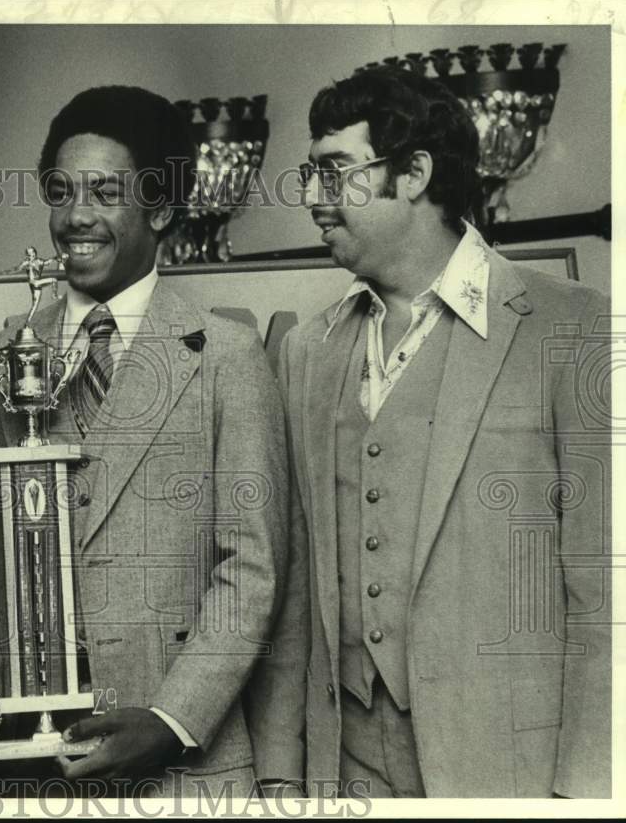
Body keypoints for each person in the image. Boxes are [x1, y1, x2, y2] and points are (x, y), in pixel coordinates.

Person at [256, 66, 611, 798]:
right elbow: (293, 594)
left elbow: (606, 593)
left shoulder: (572, 327)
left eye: (335, 172)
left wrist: (587, 793)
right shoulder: (308, 349)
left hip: (509, 773)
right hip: (343, 770)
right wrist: (281, 772)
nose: (315, 201)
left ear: (414, 172)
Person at [0, 85, 291, 797]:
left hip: (191, 775)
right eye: (62, 191)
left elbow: (251, 566)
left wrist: (172, 717)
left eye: (106, 193)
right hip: (30, 770)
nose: (77, 217)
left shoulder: (226, 356)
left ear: (161, 207)